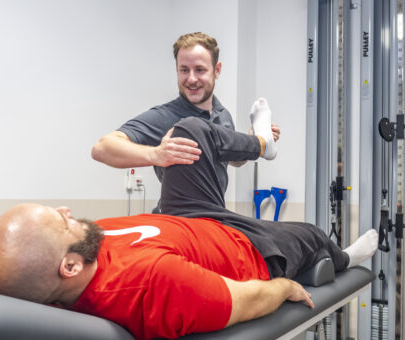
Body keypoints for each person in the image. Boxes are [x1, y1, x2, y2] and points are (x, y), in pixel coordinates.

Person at [0, 111, 377, 340]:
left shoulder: (82, 251)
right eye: (60, 221)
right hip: (248, 248)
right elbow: (247, 300)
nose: (65, 210)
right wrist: (285, 286)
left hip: (187, 215)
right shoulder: (148, 283)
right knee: (308, 234)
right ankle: (344, 256)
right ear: (70, 267)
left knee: (188, 132)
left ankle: (261, 145)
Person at [91, 32, 280, 212]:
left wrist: (248, 141)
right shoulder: (166, 116)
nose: (191, 79)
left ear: (217, 70)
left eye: (199, 70)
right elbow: (102, 148)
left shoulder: (223, 115)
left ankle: (261, 143)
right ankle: (263, 143)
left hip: (213, 215)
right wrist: (155, 154)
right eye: (184, 70)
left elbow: (234, 161)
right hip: (177, 220)